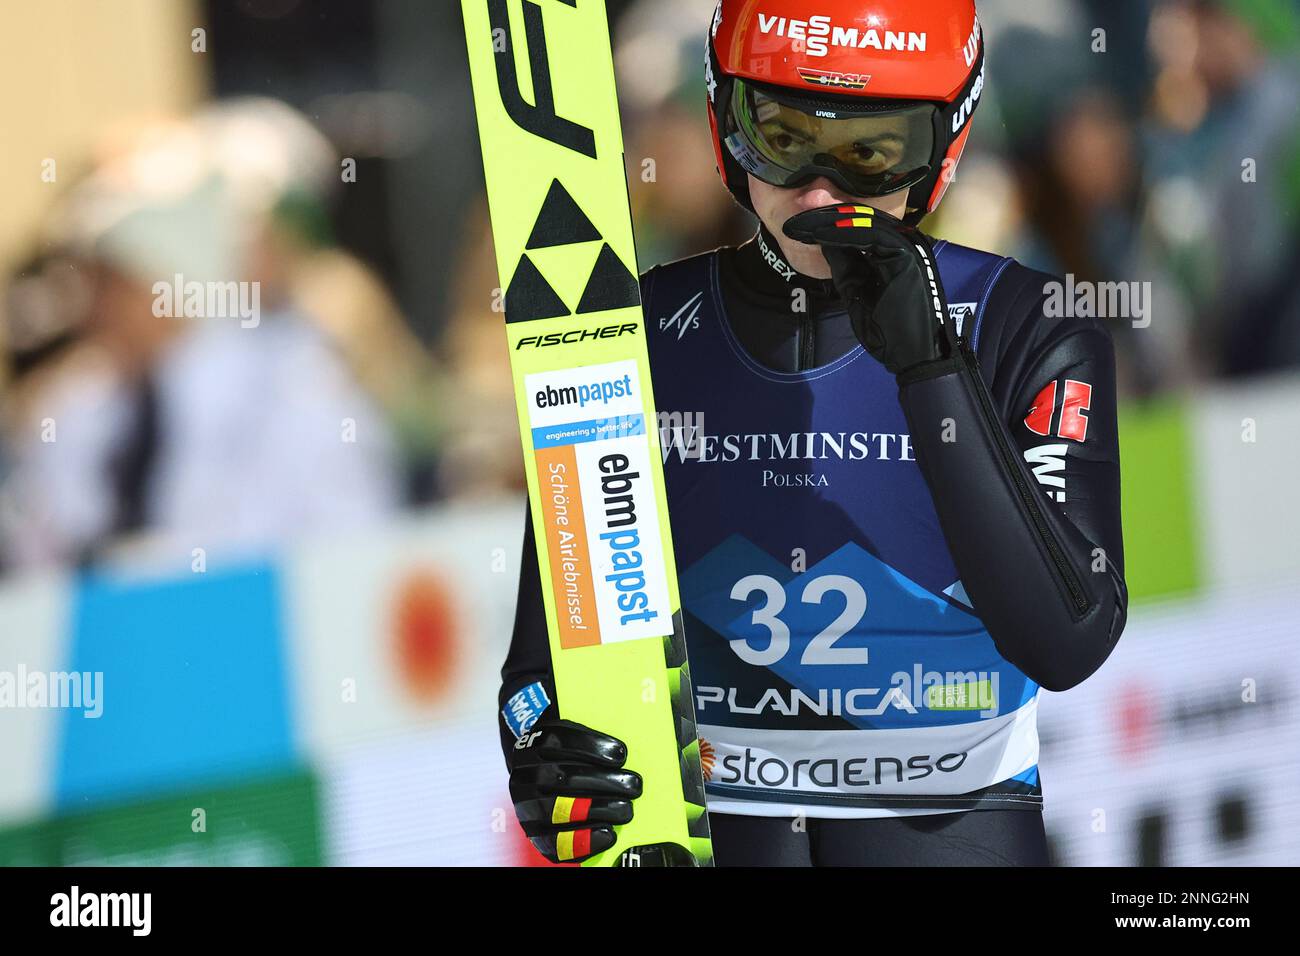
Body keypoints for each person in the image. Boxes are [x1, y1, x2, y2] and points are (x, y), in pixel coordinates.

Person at [499, 0, 1128, 866]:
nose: (822, 194)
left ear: (945, 148)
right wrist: (538, 749)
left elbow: (1067, 641)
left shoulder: (1028, 326)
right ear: (725, 120)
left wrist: (933, 372)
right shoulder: (629, 336)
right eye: (785, 138)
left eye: (870, 154)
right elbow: (540, 665)